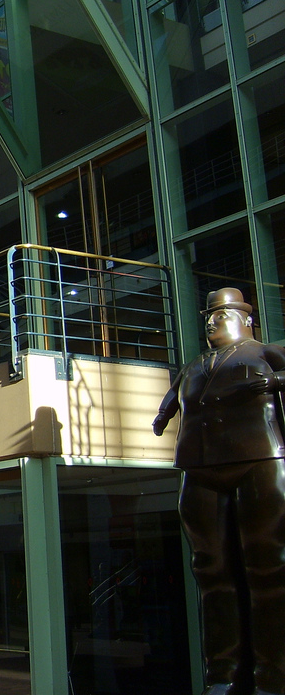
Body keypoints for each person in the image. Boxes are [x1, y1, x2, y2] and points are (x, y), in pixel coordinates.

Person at [153, 288, 285, 695]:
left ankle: (272, 677)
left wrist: (272, 381)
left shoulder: (266, 352)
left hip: (258, 461)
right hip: (199, 467)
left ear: (245, 318)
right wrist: (163, 415)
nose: (211, 322)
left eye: (221, 314)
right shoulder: (193, 365)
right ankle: (222, 675)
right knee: (210, 572)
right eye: (208, 316)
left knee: (268, 569)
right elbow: (169, 404)